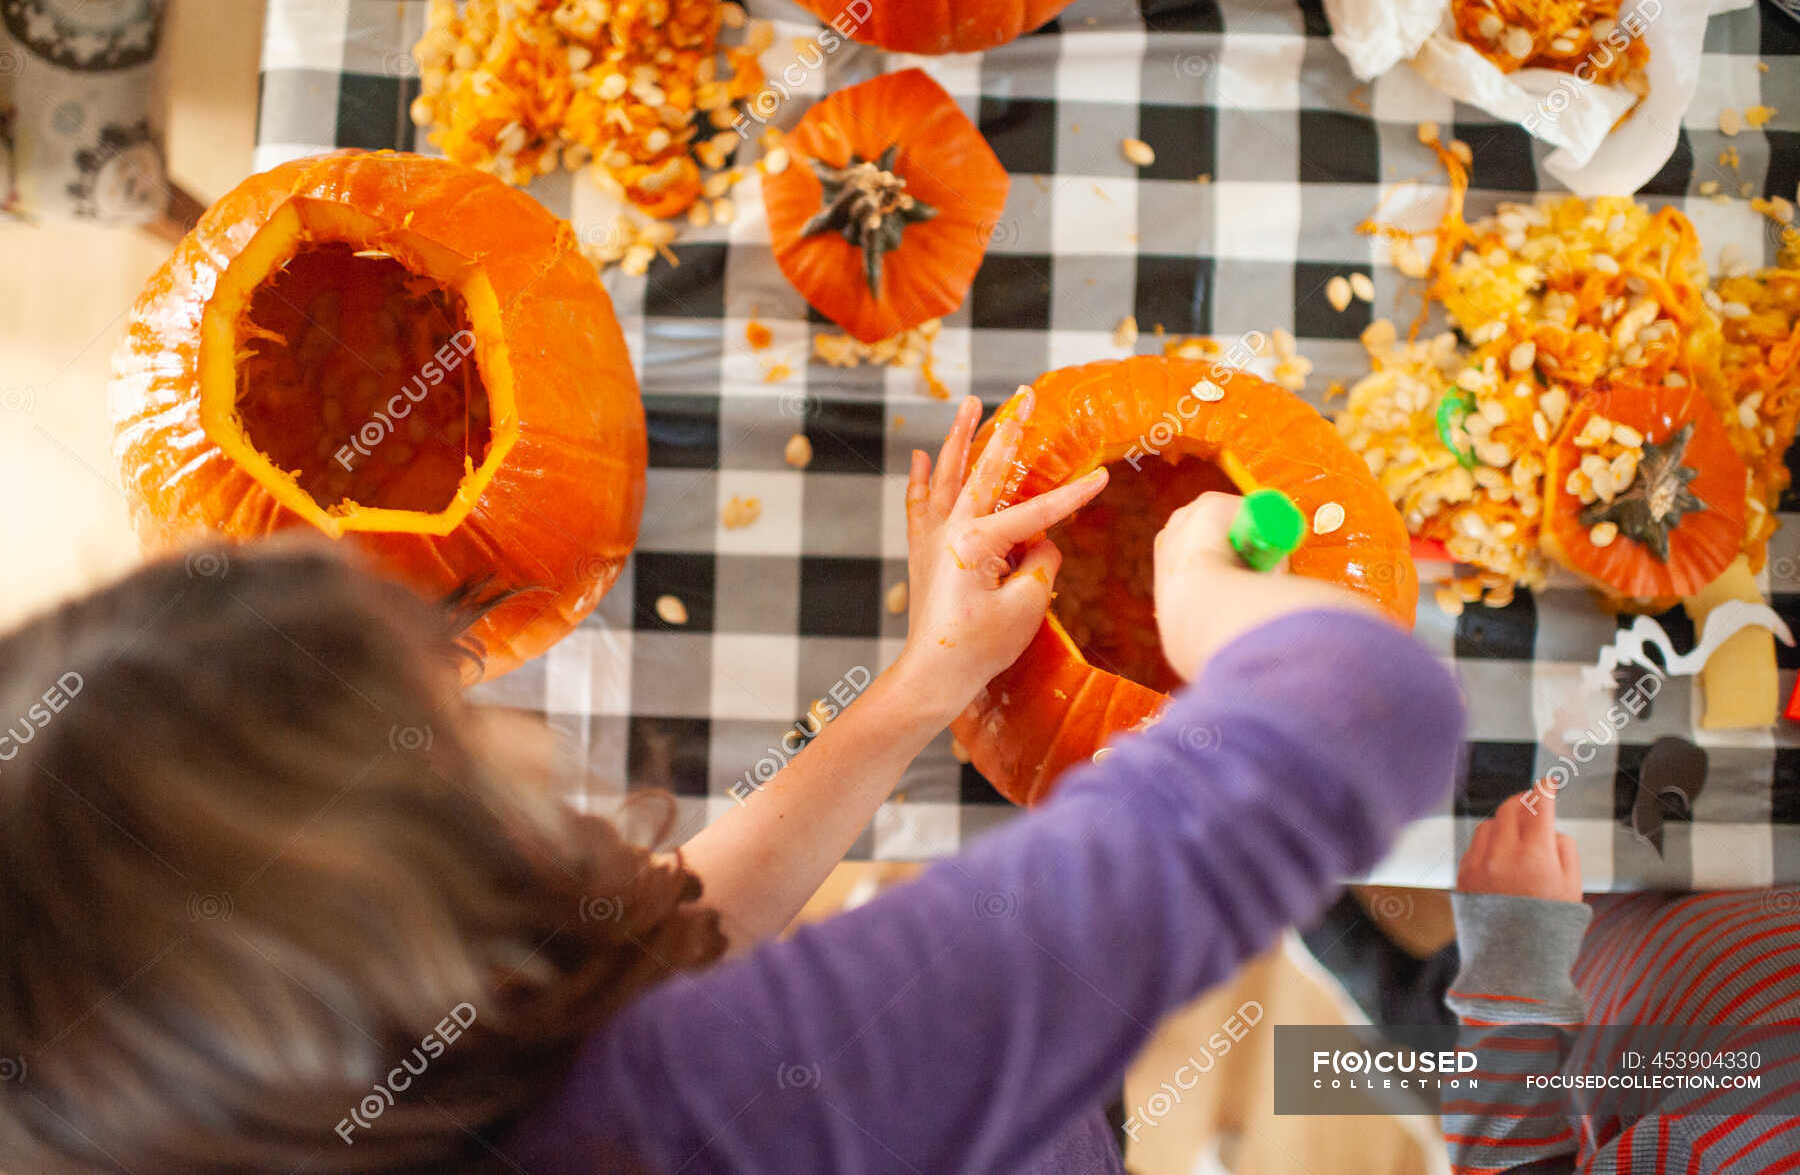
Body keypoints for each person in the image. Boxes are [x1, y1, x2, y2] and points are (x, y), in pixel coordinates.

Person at [0, 391, 1464, 1173]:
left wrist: (925, 685)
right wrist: (1210, 610)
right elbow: (1356, 713)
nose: (474, 704)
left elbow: (649, 946)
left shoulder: (420, 1098)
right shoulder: (748, 1103)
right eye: (435, 729)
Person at [1443, 787, 1800, 1171]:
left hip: (1571, 970)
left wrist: (1514, 966)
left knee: (1421, 989)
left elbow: (1502, 1163)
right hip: (1735, 868)